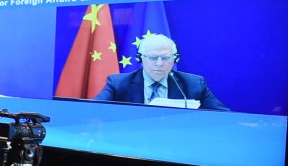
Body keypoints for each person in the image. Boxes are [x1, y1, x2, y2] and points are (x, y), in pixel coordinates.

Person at [94, 34, 229, 110]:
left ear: (175, 59)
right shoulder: (118, 84)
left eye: (166, 58)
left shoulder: (194, 84)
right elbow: (93, 112)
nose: (159, 63)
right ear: (140, 59)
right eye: (152, 58)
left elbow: (223, 116)